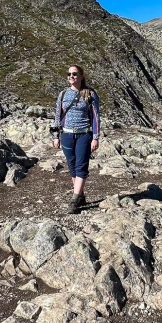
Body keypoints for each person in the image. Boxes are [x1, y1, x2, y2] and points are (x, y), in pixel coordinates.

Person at [52, 65, 100, 214]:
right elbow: (57, 116)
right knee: (72, 166)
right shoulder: (63, 94)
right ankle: (81, 195)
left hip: (84, 135)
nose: (71, 76)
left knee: (81, 166)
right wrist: (55, 136)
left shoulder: (90, 94)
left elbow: (96, 118)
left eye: (74, 74)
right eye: (69, 74)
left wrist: (95, 137)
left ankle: (74, 199)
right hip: (66, 135)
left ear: (81, 76)